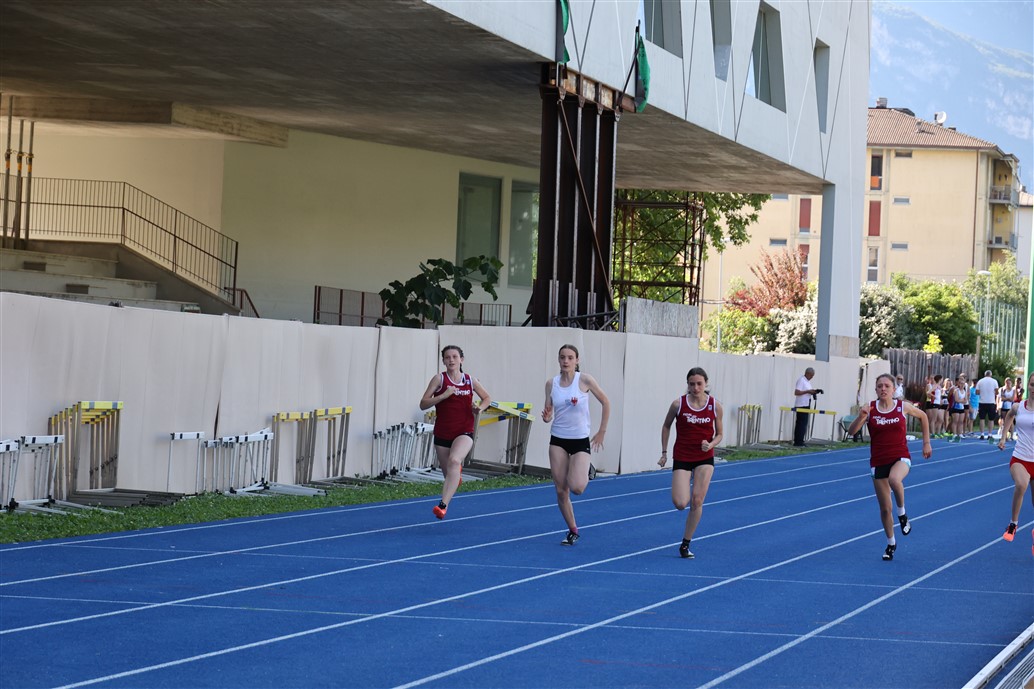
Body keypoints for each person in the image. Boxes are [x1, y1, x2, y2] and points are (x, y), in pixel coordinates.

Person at [846, 373, 932, 561]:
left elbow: (923, 416)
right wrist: (861, 417)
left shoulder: (902, 407)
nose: (883, 389)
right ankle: (891, 543)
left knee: (895, 479)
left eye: (887, 386)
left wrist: (926, 443)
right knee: (885, 509)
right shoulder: (870, 409)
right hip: (878, 461)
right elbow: (851, 432)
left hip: (900, 457)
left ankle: (902, 513)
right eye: (880, 386)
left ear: (894, 389)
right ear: (876, 390)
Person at [541, 343, 610, 545]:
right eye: (562, 357)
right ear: (558, 360)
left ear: (577, 360)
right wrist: (546, 417)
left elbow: (606, 402)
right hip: (558, 439)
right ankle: (572, 529)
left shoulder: (585, 380)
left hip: (580, 439)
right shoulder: (551, 384)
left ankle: (585, 468)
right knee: (561, 489)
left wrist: (601, 431)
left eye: (570, 358)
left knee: (577, 488)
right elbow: (548, 412)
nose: (566, 361)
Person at [419, 345, 492, 520]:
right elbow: (423, 404)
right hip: (443, 433)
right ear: (443, 361)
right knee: (450, 477)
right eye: (447, 357)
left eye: (455, 356)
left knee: (454, 460)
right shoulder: (439, 379)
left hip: (464, 431)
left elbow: (487, 398)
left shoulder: (470, 380)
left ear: (461, 360)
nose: (451, 360)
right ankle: (455, 476)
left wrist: (479, 408)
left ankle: (442, 506)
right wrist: (443, 395)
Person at [658, 367, 724, 559]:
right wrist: (664, 452)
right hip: (683, 456)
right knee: (680, 503)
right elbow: (666, 426)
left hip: (704, 457)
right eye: (692, 384)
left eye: (699, 384)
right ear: (687, 384)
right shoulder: (678, 404)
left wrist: (711, 444)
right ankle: (688, 478)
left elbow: (720, 434)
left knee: (697, 500)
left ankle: (685, 543)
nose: (695, 388)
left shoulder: (714, 405)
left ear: (706, 384)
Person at [996, 372, 1034, 553]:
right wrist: (1004, 437)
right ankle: (1013, 524)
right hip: (1020, 458)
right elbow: (1009, 416)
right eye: (1032, 385)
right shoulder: (1019, 407)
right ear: (1028, 385)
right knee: (1021, 484)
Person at [793, 367, 822, 447]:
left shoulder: (807, 382)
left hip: (806, 404)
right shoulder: (801, 380)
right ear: (807, 373)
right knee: (801, 424)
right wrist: (808, 391)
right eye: (811, 375)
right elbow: (796, 392)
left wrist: (814, 391)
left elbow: (808, 391)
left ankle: (801, 440)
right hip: (801, 405)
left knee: (804, 424)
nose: (812, 377)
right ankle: (798, 442)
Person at [975, 369, 1000, 439]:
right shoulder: (994, 381)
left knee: (982, 418)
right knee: (991, 419)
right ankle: (990, 434)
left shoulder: (980, 381)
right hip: (991, 402)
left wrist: (983, 392)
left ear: (985, 375)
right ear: (991, 375)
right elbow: (997, 392)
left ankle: (982, 434)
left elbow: (977, 392)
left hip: (982, 402)